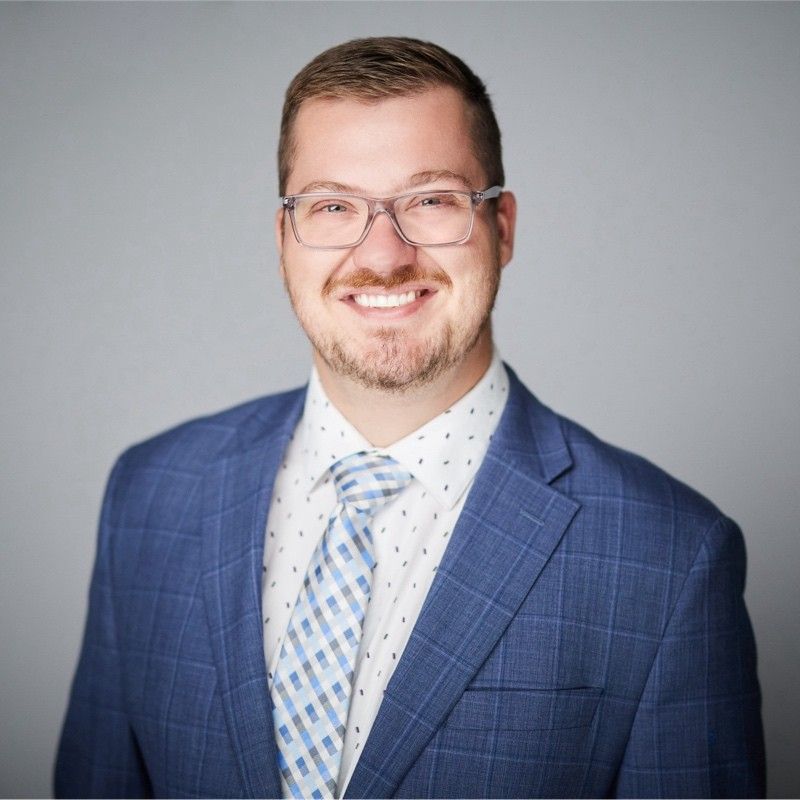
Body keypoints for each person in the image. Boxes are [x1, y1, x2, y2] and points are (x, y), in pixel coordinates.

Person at [55, 37, 765, 799]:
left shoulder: (669, 557)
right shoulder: (150, 495)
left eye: (431, 200)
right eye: (333, 206)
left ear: (502, 228)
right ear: (283, 239)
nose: (384, 255)